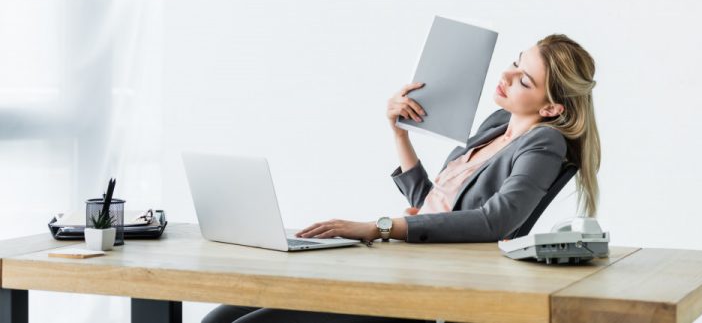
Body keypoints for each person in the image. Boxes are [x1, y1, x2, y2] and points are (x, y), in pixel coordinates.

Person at [202, 33, 601, 323]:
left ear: (550, 108)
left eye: (525, 80)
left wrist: (380, 227)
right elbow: (435, 202)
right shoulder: (498, 123)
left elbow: (496, 221)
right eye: (516, 62)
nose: (508, 75)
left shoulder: (545, 142)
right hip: (408, 263)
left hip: (434, 290)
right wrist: (399, 134)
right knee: (220, 318)